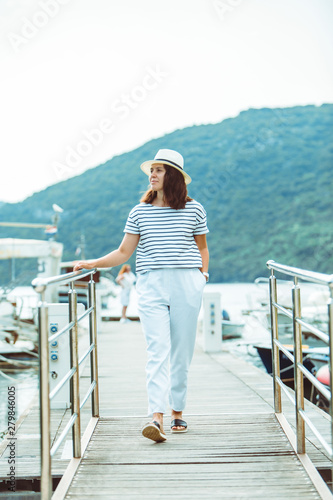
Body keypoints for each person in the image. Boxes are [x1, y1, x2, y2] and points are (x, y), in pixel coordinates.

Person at [73, 148, 209, 442]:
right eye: (152, 170)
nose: (152, 175)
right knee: (157, 350)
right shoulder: (139, 212)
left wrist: (203, 277)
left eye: (159, 170)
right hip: (151, 284)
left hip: (188, 282)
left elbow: (203, 248)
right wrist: (93, 263)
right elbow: (124, 253)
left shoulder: (194, 209)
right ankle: (156, 417)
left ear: (172, 176)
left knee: (181, 352)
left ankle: (177, 412)